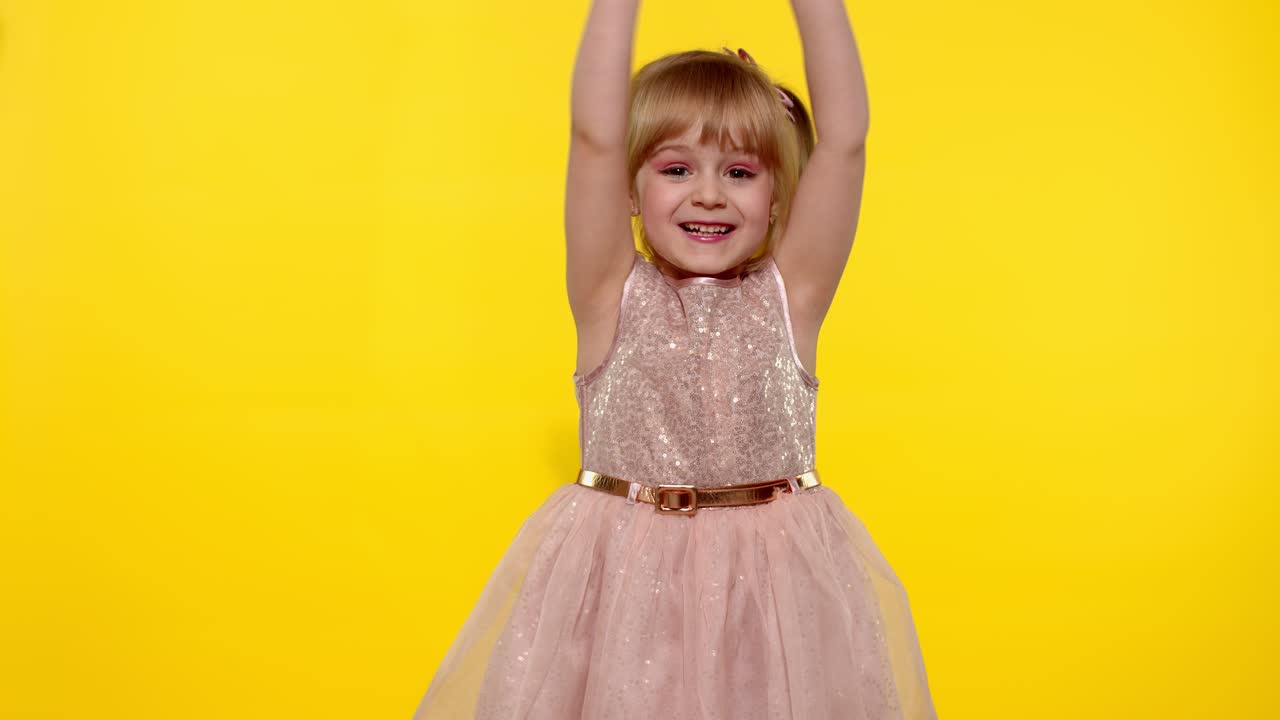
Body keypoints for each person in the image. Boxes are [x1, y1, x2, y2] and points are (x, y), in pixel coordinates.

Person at [413, 0, 937, 717]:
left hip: (773, 608)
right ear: (629, 188)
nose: (709, 194)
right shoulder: (607, 293)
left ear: (782, 192)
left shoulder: (793, 297)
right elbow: (594, 137)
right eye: (676, 168)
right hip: (625, 600)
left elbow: (845, 139)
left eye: (742, 173)